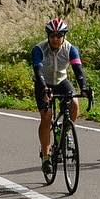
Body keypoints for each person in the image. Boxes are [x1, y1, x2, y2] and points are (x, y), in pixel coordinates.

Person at [33, 18, 91, 179]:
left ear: (64, 36)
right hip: (42, 83)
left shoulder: (71, 49)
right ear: (48, 36)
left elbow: (78, 70)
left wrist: (84, 88)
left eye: (59, 36)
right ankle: (46, 156)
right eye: (52, 36)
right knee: (47, 116)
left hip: (61, 81)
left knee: (74, 102)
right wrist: (44, 87)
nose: (56, 39)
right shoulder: (39, 49)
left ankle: (65, 133)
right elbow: (38, 70)